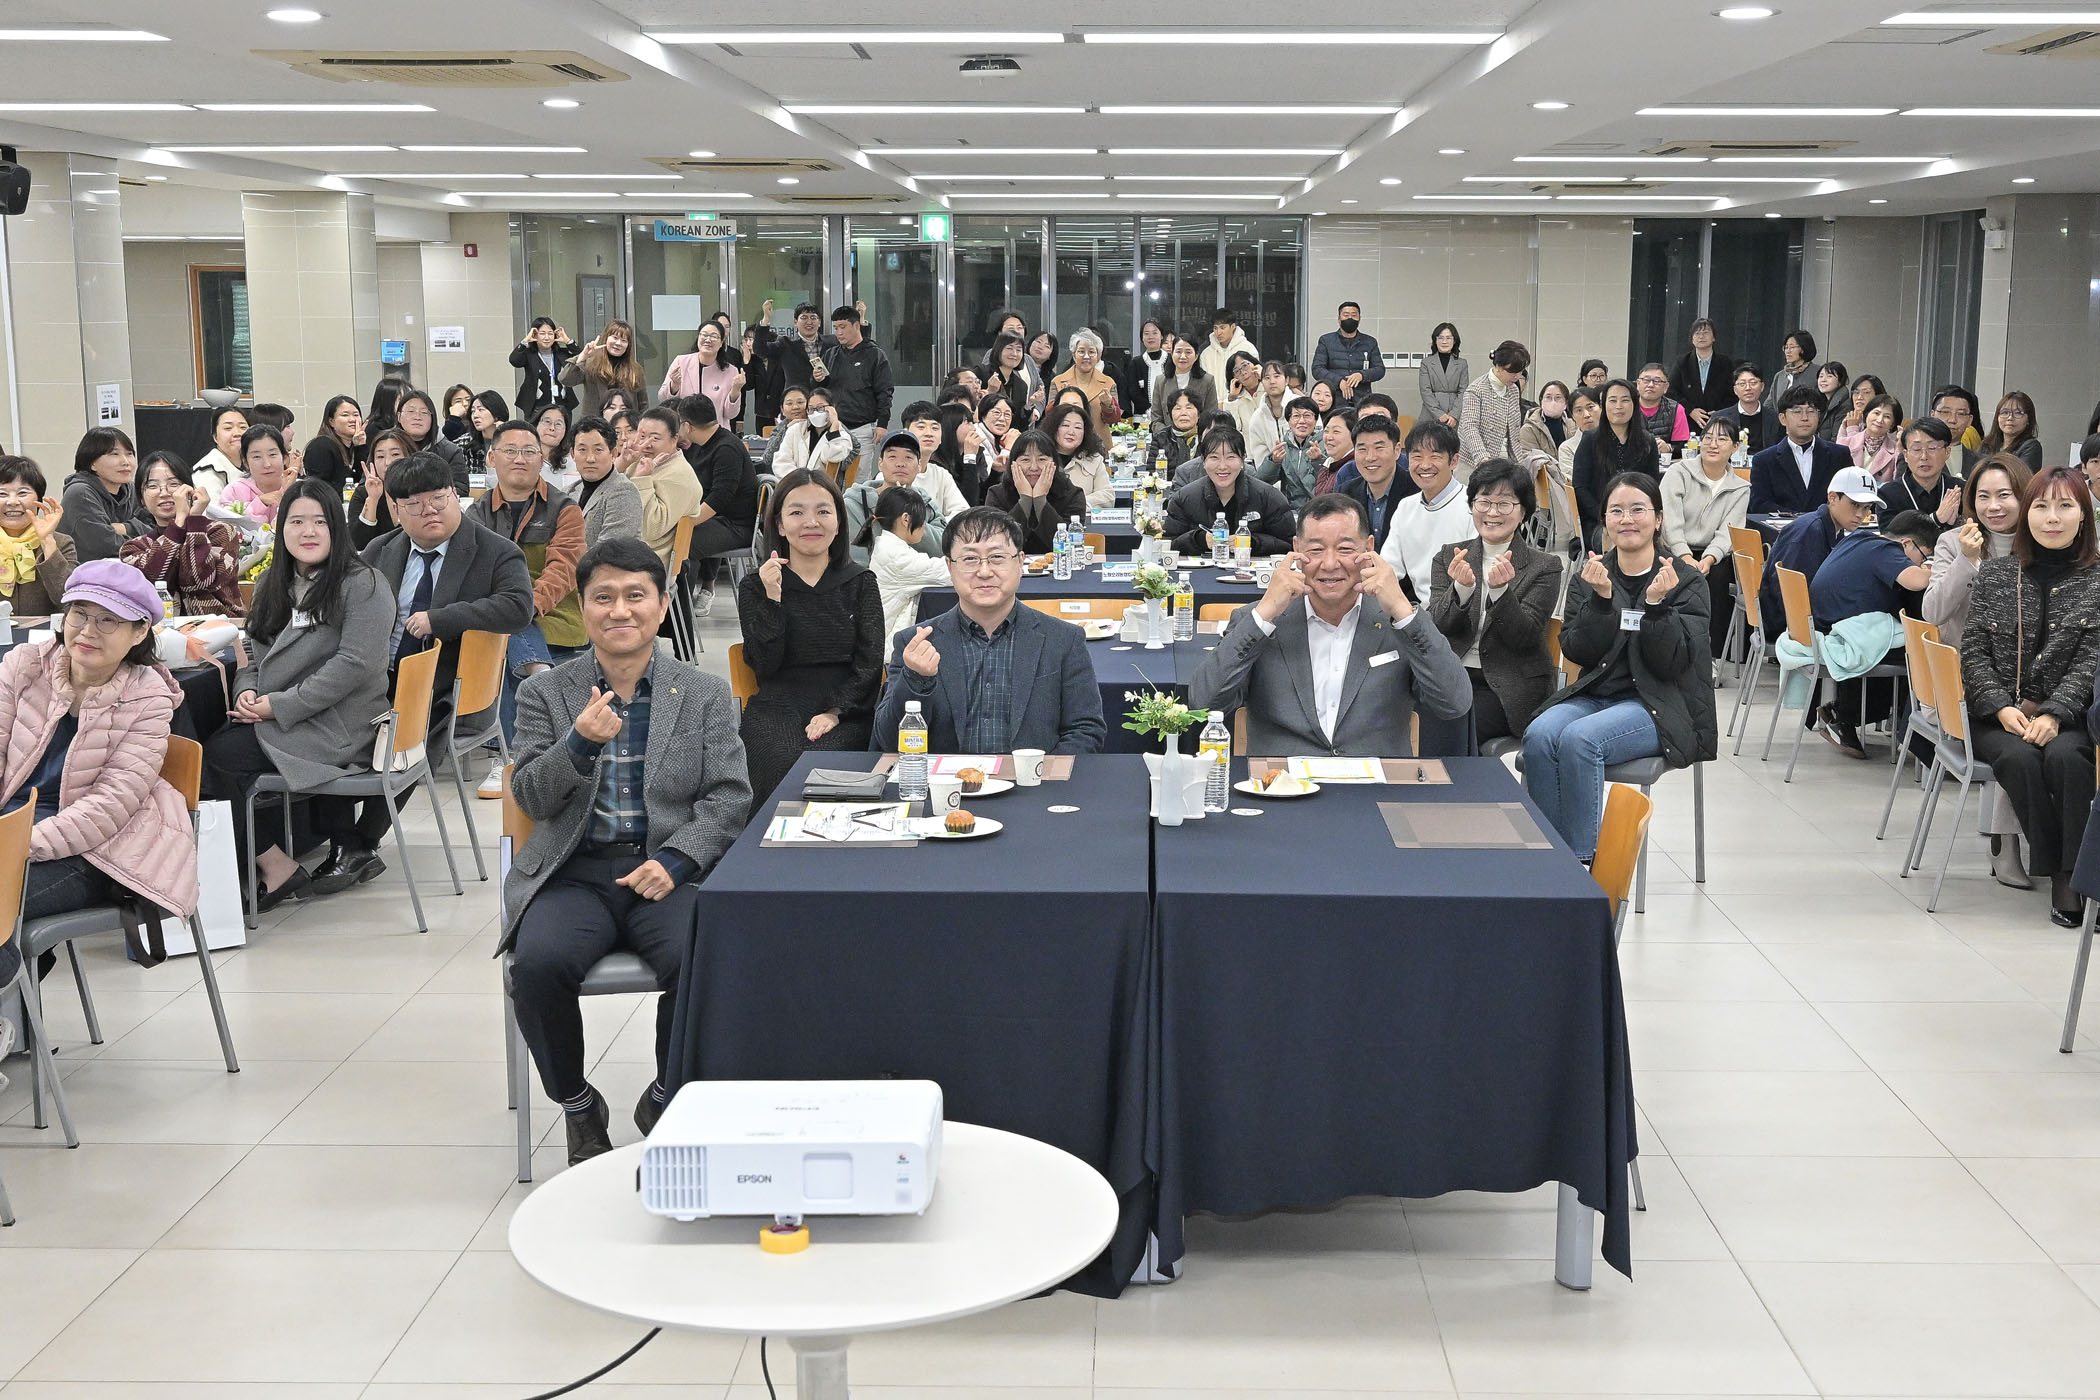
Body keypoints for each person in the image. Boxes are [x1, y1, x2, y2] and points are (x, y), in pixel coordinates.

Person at [506, 535, 751, 1163]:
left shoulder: (702, 693)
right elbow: (530, 797)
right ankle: (577, 1104)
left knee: (707, 960)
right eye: (603, 597)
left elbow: (729, 796)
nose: (620, 611)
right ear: (584, 608)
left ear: (662, 605)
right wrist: (579, 745)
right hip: (572, 873)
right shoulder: (544, 693)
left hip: (664, 871)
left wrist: (676, 861)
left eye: (636, 596)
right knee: (536, 967)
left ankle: (666, 1095)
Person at [0, 559, 198, 983]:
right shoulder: (25, 665)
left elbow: (111, 805)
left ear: (140, 631)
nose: (88, 631)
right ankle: (16, 999)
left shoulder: (148, 697)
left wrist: (18, 845)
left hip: (94, 851)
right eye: (80, 614)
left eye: (108, 620)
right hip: (9, 828)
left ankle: (14, 999)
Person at [202, 480, 397, 907]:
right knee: (207, 750)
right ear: (282, 528)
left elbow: (356, 664)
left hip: (339, 723)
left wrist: (279, 705)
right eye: (296, 522)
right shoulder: (274, 582)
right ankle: (262, 868)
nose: (308, 531)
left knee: (215, 759)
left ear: (337, 527)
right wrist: (247, 691)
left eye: (320, 522)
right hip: (286, 718)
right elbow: (252, 653)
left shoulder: (363, 583)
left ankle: (270, 870)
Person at [1525, 472, 1716, 860]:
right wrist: (1600, 601)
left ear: (1658, 519)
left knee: (1580, 740)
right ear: (1605, 521)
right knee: (1540, 734)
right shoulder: (1592, 574)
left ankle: (1583, 862)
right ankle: (1548, 860)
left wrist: (1657, 607)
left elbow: (1672, 664)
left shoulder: (1686, 581)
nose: (1627, 519)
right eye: (1617, 511)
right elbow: (1577, 651)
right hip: (1595, 696)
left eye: (1638, 510)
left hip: (1660, 704)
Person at [357, 452, 536, 864]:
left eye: (438, 499)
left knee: (404, 730)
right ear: (395, 509)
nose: (429, 511)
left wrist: (442, 619)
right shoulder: (380, 551)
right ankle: (317, 834)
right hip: (376, 677)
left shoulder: (495, 551)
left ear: (455, 496)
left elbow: (518, 607)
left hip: (447, 688)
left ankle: (360, 841)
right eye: (414, 504)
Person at [1191, 492, 1468, 757]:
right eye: (1316, 550)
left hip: (1376, 784)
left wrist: (1402, 611)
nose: (1330, 563)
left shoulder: (1399, 622)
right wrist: (1264, 613)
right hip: (1282, 782)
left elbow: (1454, 703)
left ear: (1369, 548)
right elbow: (1204, 703)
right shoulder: (1261, 621)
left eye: (1345, 549)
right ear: (1296, 549)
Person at [1962, 466, 2100, 925]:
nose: (2052, 517)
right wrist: (2001, 707)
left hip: (2070, 715)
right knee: (2019, 759)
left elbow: (2092, 660)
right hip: (1997, 714)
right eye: (2041, 506)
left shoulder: (2096, 579)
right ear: (2027, 515)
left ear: (2084, 515)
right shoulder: (1996, 574)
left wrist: (2056, 712)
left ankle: (2073, 874)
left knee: (2068, 759)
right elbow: (1973, 652)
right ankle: (2063, 871)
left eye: (2065, 506)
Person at [874, 506, 1106, 755]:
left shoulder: (1063, 639)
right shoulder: (915, 643)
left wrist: (1042, 772)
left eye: (997, 557)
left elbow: (1085, 730)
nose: (984, 572)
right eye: (970, 559)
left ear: (1020, 562)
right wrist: (915, 679)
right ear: (950, 567)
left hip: (1034, 778)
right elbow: (887, 742)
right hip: (943, 779)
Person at [734, 468, 884, 803]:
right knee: (778, 759)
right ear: (779, 525)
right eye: (797, 513)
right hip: (777, 705)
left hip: (847, 709)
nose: (811, 522)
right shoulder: (756, 586)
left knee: (826, 762)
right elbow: (764, 664)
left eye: (823, 511)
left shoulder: (861, 582)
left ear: (838, 523)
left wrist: (835, 711)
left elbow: (870, 664)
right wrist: (773, 600)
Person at [466, 421, 588, 765]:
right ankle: (540, 677)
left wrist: (524, 606)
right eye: (510, 451)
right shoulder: (476, 514)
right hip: (496, 612)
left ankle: (508, 757)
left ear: (541, 459)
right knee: (502, 629)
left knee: (505, 637)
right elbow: (473, 574)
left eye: (529, 451)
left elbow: (564, 569)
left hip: (555, 614)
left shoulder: (564, 508)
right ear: (492, 458)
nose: (520, 459)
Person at [1429, 460, 1561, 742]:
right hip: (1452, 676)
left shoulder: (1545, 566)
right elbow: (1436, 626)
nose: (1492, 512)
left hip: (1508, 684)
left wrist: (1501, 593)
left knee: (1457, 725)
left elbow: (1525, 637)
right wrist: (1460, 590)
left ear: (1523, 511)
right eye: (1484, 502)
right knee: (1410, 713)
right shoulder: (1449, 557)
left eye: (1504, 504)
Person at [1805, 510, 1940, 758]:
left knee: (1898, 635)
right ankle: (1896, 727)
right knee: (1922, 649)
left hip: (1820, 624)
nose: (1921, 563)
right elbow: (1917, 581)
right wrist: (1943, 569)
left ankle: (1845, 711)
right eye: (1923, 556)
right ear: (1906, 543)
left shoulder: (1860, 538)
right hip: (1839, 633)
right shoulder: (1888, 551)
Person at [1661, 418, 1754, 660]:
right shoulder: (1678, 472)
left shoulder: (1740, 487)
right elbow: (1670, 521)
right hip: (1674, 547)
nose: (1713, 444)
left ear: (1736, 447)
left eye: (1722, 439)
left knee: (1720, 577)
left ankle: (1711, 656)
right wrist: (1684, 556)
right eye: (1708, 438)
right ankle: (1672, 649)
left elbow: (1729, 531)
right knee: (1675, 572)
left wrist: (1710, 558)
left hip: (1713, 553)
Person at [1760, 466, 1882, 642]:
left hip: (1793, 622)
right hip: (1788, 627)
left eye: (1866, 508)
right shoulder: (1810, 532)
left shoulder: (1828, 528)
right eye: (1854, 504)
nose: (1860, 514)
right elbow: (1791, 595)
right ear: (1832, 497)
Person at [1924, 452, 2031, 649]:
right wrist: (1966, 559)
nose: (1993, 506)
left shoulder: (2040, 542)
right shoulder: (1952, 542)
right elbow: (1933, 613)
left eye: (2004, 495)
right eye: (1983, 497)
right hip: (1965, 658)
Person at [121, 452, 244, 616]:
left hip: (220, 627)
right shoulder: (134, 548)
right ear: (141, 499)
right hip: (161, 630)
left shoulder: (220, 532)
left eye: (173, 484)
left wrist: (194, 520)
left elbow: (197, 582)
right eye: (152, 486)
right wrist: (179, 522)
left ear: (190, 491)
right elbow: (157, 580)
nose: (164, 493)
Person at [1382, 420, 1477, 603]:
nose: (1425, 465)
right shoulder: (1406, 507)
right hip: (1419, 612)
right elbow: (1389, 567)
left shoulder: (1472, 506)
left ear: (1454, 461)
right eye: (1417, 456)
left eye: (1435, 456)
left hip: (1461, 609)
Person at [1164, 427, 1295, 559]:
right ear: (1203, 461)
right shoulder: (1184, 498)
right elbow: (1168, 544)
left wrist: (1253, 542)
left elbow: (1289, 544)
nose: (1222, 466)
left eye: (1230, 457)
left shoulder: (1269, 497)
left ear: (1243, 459)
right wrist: (1198, 539)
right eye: (1214, 457)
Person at [1571, 379, 1658, 548]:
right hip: (1598, 521)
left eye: (1625, 400)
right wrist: (1605, 516)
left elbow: (1652, 486)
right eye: (1612, 400)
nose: (1619, 406)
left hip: (1638, 519)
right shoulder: (1590, 439)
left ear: (1634, 404)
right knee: (1619, 542)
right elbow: (1580, 487)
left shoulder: (1647, 442)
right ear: (1603, 406)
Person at [846, 429, 953, 567]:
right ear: (880, 463)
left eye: (908, 457)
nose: (900, 463)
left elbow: (945, 547)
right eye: (892, 456)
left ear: (919, 466)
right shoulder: (854, 504)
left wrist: (911, 517)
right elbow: (855, 560)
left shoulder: (926, 503)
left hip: (923, 576)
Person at [621, 406, 704, 573]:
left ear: (674, 440)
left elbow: (649, 530)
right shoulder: (642, 460)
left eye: (655, 438)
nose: (646, 444)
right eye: (642, 436)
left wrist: (642, 479)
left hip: (647, 563)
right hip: (627, 549)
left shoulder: (680, 476)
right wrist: (622, 462)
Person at [1750, 385, 1855, 515]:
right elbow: (1760, 504)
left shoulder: (1839, 455)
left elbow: (1851, 496)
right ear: (1782, 418)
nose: (1805, 417)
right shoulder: (1764, 460)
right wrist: (1799, 519)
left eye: (1811, 411)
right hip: (1783, 526)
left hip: (1829, 525)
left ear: (1819, 416)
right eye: (1797, 411)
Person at [869, 486, 955, 640]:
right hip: (886, 645)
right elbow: (949, 572)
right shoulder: (896, 556)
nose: (924, 526)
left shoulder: (888, 546)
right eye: (922, 519)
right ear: (906, 519)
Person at [985, 429, 1089, 554]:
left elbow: (1069, 546)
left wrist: (1040, 500)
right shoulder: (997, 494)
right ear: (1013, 464)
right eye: (1025, 460)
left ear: (1054, 463)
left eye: (1042, 459)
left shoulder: (1072, 494)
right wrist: (1025, 499)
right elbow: (999, 543)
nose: (1034, 467)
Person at [822, 304, 893, 484]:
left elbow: (884, 392)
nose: (839, 332)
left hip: (862, 427)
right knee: (829, 478)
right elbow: (820, 391)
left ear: (856, 325)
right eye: (836, 328)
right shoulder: (830, 354)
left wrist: (882, 424)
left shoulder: (875, 354)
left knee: (859, 480)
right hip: (833, 427)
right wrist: (817, 379)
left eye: (843, 327)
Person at [0, 454, 75, 618]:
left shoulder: (61, 542)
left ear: (39, 500)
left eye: (22, 493)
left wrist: (47, 541)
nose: (12, 502)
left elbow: (69, 602)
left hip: (45, 633)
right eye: (2, 494)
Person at [61, 427, 137, 561]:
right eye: (114, 454)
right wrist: (145, 539)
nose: (125, 462)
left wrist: (125, 528)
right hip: (85, 572)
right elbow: (106, 546)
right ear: (92, 463)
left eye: (129, 454)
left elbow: (158, 526)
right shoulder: (80, 493)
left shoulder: (131, 490)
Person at [1457, 339, 1530, 480]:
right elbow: (1469, 426)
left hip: (1506, 459)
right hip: (1474, 462)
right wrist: (1482, 457)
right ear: (1498, 366)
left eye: (1520, 372)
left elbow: (1514, 431)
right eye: (1512, 372)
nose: (1517, 377)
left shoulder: (1513, 390)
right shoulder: (1476, 390)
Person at [568, 416, 643, 549]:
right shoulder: (568, 491)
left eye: (598, 450)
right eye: (582, 450)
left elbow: (608, 550)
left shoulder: (623, 491)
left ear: (613, 454)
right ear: (573, 454)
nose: (590, 458)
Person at [1341, 415, 1411, 551]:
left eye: (1379, 448)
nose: (1370, 457)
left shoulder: (1417, 491)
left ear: (1397, 450)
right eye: (1362, 449)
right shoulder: (1347, 492)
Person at [559, 320, 648, 424]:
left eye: (623, 340)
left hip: (626, 426)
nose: (618, 343)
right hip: (594, 425)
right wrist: (583, 356)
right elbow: (565, 379)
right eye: (615, 338)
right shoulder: (591, 363)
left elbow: (643, 404)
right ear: (606, 338)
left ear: (628, 345)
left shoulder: (635, 369)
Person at [659, 320, 745, 428]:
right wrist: (674, 386)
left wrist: (736, 390)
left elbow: (730, 414)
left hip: (715, 432)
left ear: (721, 343)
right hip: (684, 432)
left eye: (714, 336)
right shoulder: (681, 362)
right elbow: (663, 399)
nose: (708, 339)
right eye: (704, 335)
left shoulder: (730, 371)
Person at [1878, 416, 1964, 524]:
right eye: (1916, 449)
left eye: (1932, 448)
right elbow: (1891, 533)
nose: (1924, 456)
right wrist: (1937, 519)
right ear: (1905, 455)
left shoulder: (1961, 490)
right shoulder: (1888, 494)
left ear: (1947, 452)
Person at [772, 385, 859, 481]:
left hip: (823, 485)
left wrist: (834, 427)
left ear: (832, 408)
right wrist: (800, 480)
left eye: (820, 407)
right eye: (811, 409)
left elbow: (832, 457)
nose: (815, 413)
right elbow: (781, 461)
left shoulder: (841, 434)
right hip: (795, 483)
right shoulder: (796, 429)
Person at [1049, 328, 1121, 440]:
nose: (1086, 356)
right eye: (1081, 352)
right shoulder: (1058, 381)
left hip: (1099, 443)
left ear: (1098, 356)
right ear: (1074, 355)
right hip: (1066, 442)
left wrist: (1108, 405)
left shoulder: (1108, 383)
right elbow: (1050, 416)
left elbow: (1114, 420)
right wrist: (1062, 401)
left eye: (1091, 352)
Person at [348, 428, 413, 551]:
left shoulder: (421, 490)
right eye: (380, 456)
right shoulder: (363, 493)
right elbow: (358, 544)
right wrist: (373, 500)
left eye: (395, 454)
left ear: (409, 456)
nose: (387, 462)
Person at [1041, 401, 1115, 510]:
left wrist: (1078, 503)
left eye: (1078, 427)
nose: (1071, 432)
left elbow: (1108, 495)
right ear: (1054, 428)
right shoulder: (1039, 458)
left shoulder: (1094, 459)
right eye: (1065, 425)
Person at [1311, 300, 1383, 407]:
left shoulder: (1370, 342)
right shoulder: (1326, 341)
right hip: (1335, 398)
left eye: (1354, 315)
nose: (1350, 318)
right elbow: (1317, 369)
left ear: (1359, 318)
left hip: (1362, 399)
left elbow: (1380, 369)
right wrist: (1339, 381)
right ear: (1339, 319)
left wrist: (1362, 375)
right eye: (1346, 315)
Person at [1668, 318, 1735, 432]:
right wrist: (1690, 410)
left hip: (1719, 423)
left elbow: (1733, 393)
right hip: (1688, 422)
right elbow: (1671, 392)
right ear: (1692, 339)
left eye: (1706, 332)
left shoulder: (1725, 363)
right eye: (1697, 333)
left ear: (1714, 337)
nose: (1701, 336)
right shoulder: (1682, 362)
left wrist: (1720, 412)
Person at [511, 318, 578, 420]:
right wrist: (525, 341)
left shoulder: (562, 353)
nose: (547, 337)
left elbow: (582, 358)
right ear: (535, 335)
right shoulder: (529, 354)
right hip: (536, 407)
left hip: (562, 406)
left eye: (550, 333)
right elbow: (514, 360)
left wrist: (568, 341)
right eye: (542, 333)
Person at [301, 394, 368, 495]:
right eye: (345, 415)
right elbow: (317, 488)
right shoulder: (321, 446)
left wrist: (360, 447)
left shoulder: (355, 446)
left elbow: (360, 480)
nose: (352, 420)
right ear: (331, 421)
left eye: (356, 415)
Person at [1238, 360, 1296, 471]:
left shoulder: (1302, 407)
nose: (1272, 381)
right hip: (1272, 478)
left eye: (1277, 376)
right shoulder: (1257, 418)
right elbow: (1261, 463)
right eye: (1267, 378)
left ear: (1287, 380)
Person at [1710, 363, 1778, 455]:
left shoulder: (1775, 418)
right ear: (1735, 390)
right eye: (1742, 384)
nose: (1748, 388)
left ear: (1762, 386)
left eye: (1753, 383)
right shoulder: (1719, 418)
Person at [1839, 393, 1906, 484]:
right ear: (1866, 415)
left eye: (1887, 417)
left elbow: (1898, 483)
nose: (1880, 420)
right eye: (1876, 413)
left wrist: (1900, 448)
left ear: (1892, 424)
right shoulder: (1845, 443)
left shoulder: (1895, 451)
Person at [1275, 395, 1327, 510]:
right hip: (1290, 510)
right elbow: (1263, 479)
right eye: (1296, 416)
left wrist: (1318, 461)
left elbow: (1330, 481)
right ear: (1288, 421)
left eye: (1307, 416)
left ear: (1316, 420)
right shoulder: (1283, 447)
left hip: (1319, 508)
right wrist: (1273, 461)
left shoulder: (1326, 444)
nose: (1302, 421)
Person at [778, 301, 836, 397]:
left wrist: (861, 321)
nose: (809, 322)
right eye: (804, 317)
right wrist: (765, 321)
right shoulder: (785, 343)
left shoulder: (833, 342)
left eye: (813, 318)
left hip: (825, 399)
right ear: (795, 322)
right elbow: (761, 350)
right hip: (797, 399)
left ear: (819, 322)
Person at [192, 405, 248, 502]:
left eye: (243, 427)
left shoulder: (250, 464)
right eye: (228, 428)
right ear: (215, 437)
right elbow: (213, 509)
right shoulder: (208, 470)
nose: (237, 433)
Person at [1981, 390, 2045, 472]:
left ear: (2029, 419)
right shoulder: (1986, 444)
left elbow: (2021, 477)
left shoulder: (2031, 447)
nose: (2010, 418)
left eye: (2018, 413)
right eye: (2005, 412)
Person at [1419, 322, 1467, 428]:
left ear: (1454, 341)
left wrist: (1454, 415)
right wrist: (1439, 414)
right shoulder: (1426, 363)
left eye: (1448, 338)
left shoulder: (1462, 363)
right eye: (1440, 338)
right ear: (1435, 340)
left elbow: (1463, 391)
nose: (1444, 342)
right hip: (1430, 413)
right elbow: (1425, 391)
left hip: (1454, 416)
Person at [1633, 363, 1690, 450]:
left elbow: (1683, 445)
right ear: (1638, 384)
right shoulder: (1628, 406)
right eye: (1646, 380)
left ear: (1666, 387)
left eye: (1657, 381)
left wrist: (1668, 448)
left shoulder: (1676, 409)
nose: (1651, 385)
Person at [1150, 388, 1205, 476]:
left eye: (1189, 408)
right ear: (1171, 414)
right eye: (1178, 408)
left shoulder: (1207, 437)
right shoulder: (1161, 438)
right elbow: (1151, 472)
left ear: (1198, 414)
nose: (1183, 413)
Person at [1198, 307, 1257, 386]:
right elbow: (1203, 384)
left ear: (1233, 326)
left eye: (1222, 328)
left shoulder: (1248, 349)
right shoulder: (1206, 354)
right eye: (1215, 328)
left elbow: (1254, 380)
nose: (1218, 332)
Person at [1771, 330, 1820, 407]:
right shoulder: (1780, 376)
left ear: (1803, 348)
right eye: (1786, 347)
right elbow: (1770, 404)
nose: (1787, 351)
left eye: (1792, 347)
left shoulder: (1818, 373)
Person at [1316, 409, 1355, 496]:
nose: (1329, 437)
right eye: (1326, 431)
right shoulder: (1327, 465)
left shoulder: (1353, 469)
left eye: (1336, 431)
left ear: (1354, 435)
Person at [1813, 362, 1852, 441]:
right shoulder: (1818, 401)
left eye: (1829, 376)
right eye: (1821, 376)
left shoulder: (1845, 406)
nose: (1823, 380)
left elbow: (1836, 439)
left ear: (1840, 381)